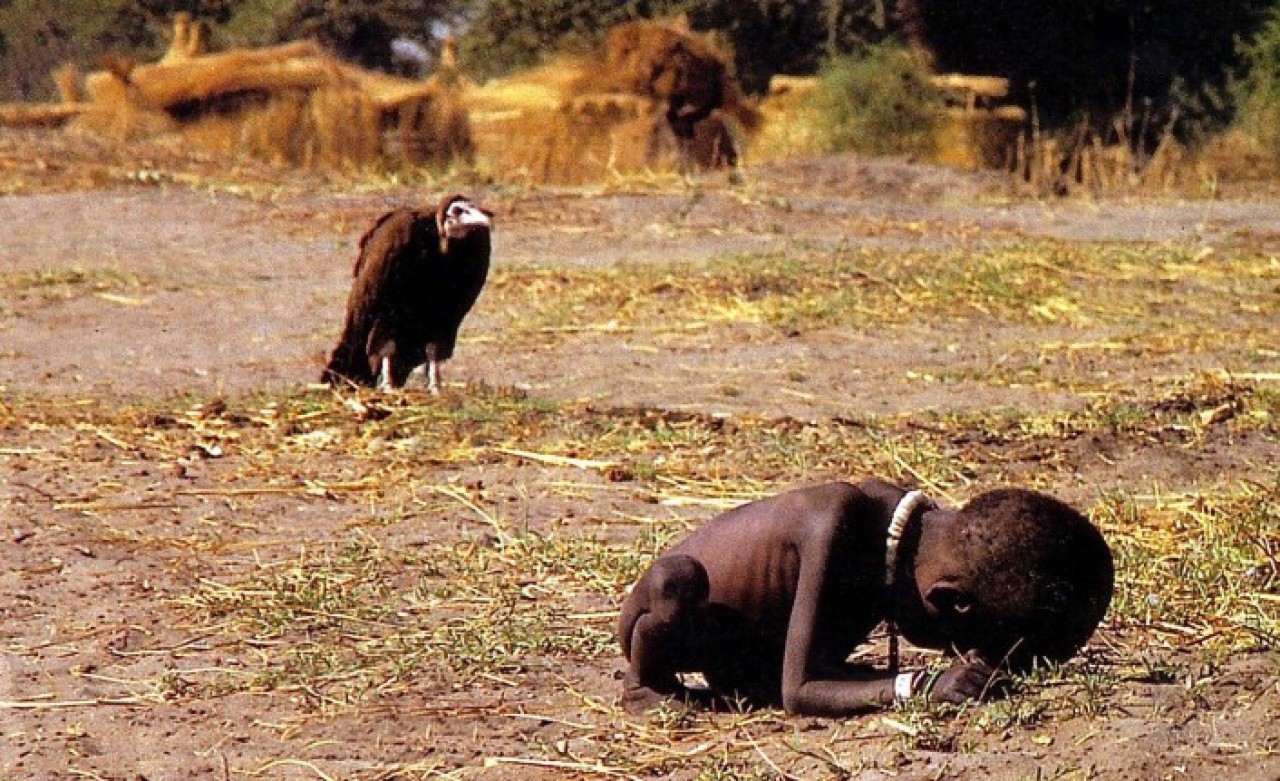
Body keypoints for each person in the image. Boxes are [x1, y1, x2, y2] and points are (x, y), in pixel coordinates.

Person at [617, 478, 1114, 716]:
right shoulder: (836, 525)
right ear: (949, 602)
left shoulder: (902, 540)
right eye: (963, 645)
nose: (961, 657)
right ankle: (645, 686)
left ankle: (742, 678)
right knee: (676, 583)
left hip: (745, 651)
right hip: (677, 622)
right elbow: (800, 692)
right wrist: (919, 686)